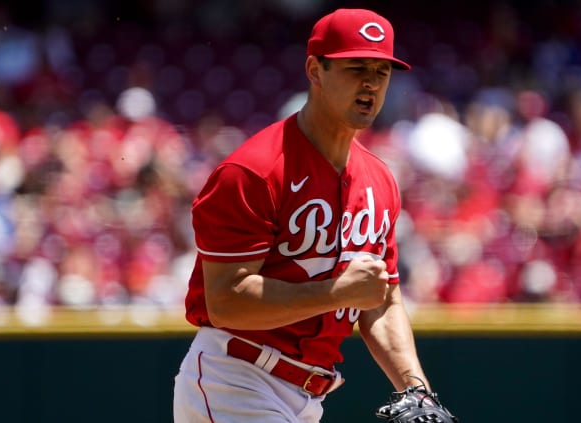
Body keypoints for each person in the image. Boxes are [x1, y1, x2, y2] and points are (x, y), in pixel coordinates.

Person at [174, 8, 434, 422]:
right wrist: (338, 292)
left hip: (309, 398)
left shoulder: (380, 180)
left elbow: (379, 299)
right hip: (236, 380)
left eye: (381, 71)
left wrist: (415, 389)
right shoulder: (254, 170)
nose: (370, 83)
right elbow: (226, 301)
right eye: (356, 68)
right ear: (315, 70)